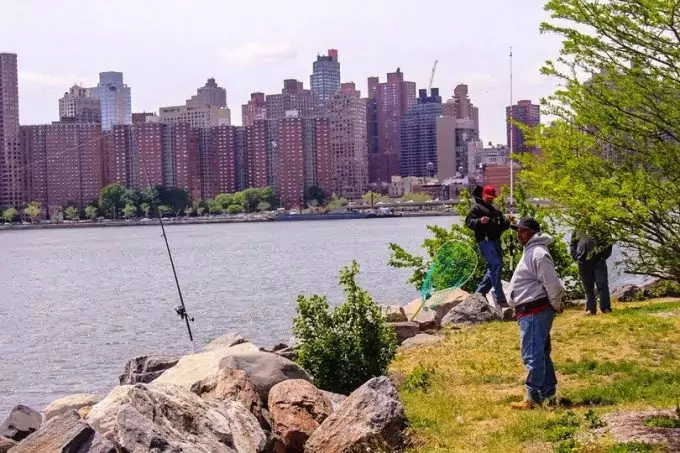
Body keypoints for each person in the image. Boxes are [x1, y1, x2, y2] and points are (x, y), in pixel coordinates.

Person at [507, 217, 564, 409]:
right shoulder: (531, 252)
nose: (518, 235)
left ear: (532, 232)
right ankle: (548, 393)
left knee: (532, 354)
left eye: (522, 231)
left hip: (535, 310)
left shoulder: (538, 254)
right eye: (518, 231)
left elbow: (552, 284)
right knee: (540, 353)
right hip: (531, 311)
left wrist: (556, 304)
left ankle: (534, 397)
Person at [465, 185, 511, 307]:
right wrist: (479, 221)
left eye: (492, 197)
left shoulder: (495, 208)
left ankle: (479, 293)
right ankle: (500, 297)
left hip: (495, 241)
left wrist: (508, 221)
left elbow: (503, 225)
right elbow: (468, 222)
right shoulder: (476, 208)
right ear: (483, 196)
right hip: (485, 241)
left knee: (496, 268)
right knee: (496, 264)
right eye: (488, 197)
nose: (490, 199)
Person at [570, 228, 613, 315]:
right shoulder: (578, 228)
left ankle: (606, 308)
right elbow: (573, 244)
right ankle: (590, 309)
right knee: (588, 287)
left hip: (598, 261)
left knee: (602, 284)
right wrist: (575, 256)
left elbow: (609, 242)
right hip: (583, 262)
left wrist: (603, 257)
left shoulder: (600, 226)